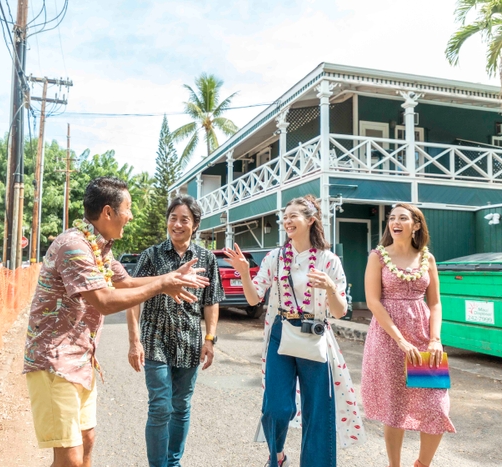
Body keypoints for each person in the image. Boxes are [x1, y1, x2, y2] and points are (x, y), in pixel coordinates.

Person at [22, 177, 210, 467]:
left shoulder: (100, 248)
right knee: (69, 458)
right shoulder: (74, 246)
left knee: (86, 444)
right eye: (128, 208)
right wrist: (162, 285)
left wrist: (170, 279)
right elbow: (105, 301)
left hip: (81, 360)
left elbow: (127, 282)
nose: (131, 216)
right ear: (108, 212)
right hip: (53, 362)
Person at [224, 195, 365, 467]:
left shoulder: (328, 260)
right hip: (281, 330)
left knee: (318, 410)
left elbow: (338, 311)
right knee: (277, 407)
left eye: (293, 216)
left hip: (315, 333)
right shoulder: (274, 258)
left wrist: (331, 289)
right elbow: (254, 299)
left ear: (311, 220)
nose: (286, 221)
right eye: (284, 217)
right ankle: (276, 455)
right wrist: (243, 273)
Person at [126, 196, 224, 467]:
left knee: (180, 407)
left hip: (190, 342)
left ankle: (173, 462)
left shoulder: (206, 258)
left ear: (195, 225)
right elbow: (133, 296)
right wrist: (134, 340)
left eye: (184, 220)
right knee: (160, 406)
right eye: (173, 218)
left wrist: (210, 339)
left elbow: (211, 300)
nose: (177, 224)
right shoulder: (152, 255)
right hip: (154, 339)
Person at [361, 203, 455, 467]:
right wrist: (400, 340)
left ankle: (422, 464)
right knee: (395, 406)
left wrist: (434, 339)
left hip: (424, 337)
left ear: (416, 225)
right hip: (388, 338)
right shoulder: (377, 256)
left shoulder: (428, 258)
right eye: (392, 218)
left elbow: (435, 303)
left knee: (437, 404)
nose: (395, 222)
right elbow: (373, 302)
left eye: (403, 218)